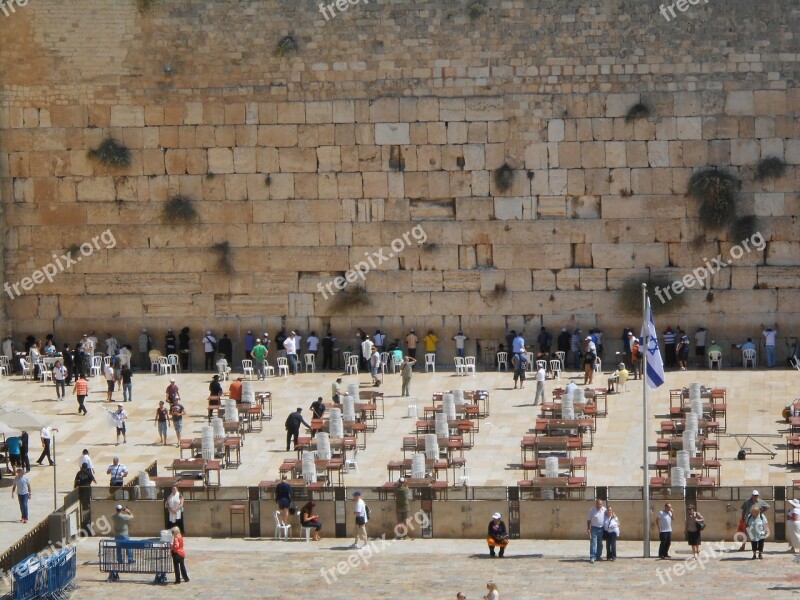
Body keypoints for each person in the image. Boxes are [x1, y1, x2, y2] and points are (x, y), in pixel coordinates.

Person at [587, 498, 606, 563]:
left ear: (602, 504)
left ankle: (598, 556)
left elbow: (610, 514)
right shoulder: (592, 510)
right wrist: (588, 528)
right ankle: (592, 557)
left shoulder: (604, 510)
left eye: (601, 504)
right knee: (593, 543)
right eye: (598, 504)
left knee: (600, 543)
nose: (599, 505)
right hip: (594, 528)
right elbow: (589, 520)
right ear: (596, 504)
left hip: (601, 528)